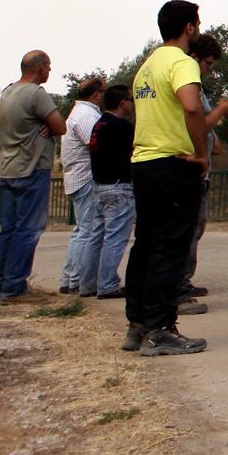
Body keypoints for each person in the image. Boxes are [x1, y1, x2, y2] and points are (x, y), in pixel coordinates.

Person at [124, 0, 212, 356]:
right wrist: (201, 153)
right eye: (198, 24)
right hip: (174, 163)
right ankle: (161, 328)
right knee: (171, 246)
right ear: (189, 27)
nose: (200, 30)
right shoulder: (182, 62)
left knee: (144, 243)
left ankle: (137, 325)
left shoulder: (146, 66)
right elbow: (191, 105)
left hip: (143, 162)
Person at [0, 50, 67, 302]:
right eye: (49, 66)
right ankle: (14, 288)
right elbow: (61, 126)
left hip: (9, 169)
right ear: (40, 68)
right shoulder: (36, 94)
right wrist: (47, 124)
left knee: (9, 230)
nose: (50, 71)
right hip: (32, 169)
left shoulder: (7, 92)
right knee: (28, 230)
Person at [178, 34, 228, 310]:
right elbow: (197, 119)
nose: (208, 70)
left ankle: (181, 280)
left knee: (193, 228)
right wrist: (222, 110)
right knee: (189, 228)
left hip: (194, 164)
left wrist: (213, 140)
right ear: (197, 58)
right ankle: (178, 283)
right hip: (192, 168)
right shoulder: (189, 80)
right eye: (209, 64)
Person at [88, 85, 138, 310]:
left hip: (99, 186)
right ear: (122, 103)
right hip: (119, 186)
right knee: (115, 238)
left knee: (96, 237)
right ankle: (108, 284)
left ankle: (88, 283)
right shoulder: (122, 127)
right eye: (130, 100)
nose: (132, 105)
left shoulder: (98, 125)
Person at [57, 77, 106, 296]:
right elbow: (95, 143)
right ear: (96, 94)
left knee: (81, 230)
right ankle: (77, 279)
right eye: (104, 91)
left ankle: (69, 277)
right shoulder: (87, 115)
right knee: (88, 230)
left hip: (76, 177)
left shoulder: (77, 113)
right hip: (86, 177)